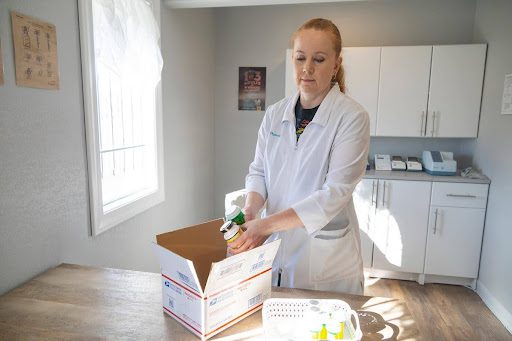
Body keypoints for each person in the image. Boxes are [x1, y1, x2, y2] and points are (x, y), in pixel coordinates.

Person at [228, 18, 370, 295]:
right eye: (300, 58)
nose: (306, 68)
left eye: (318, 59)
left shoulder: (351, 117)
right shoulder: (274, 114)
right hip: (274, 250)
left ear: (336, 64)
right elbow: (259, 172)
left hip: (324, 258)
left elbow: (334, 194)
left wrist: (264, 226)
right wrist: (250, 211)